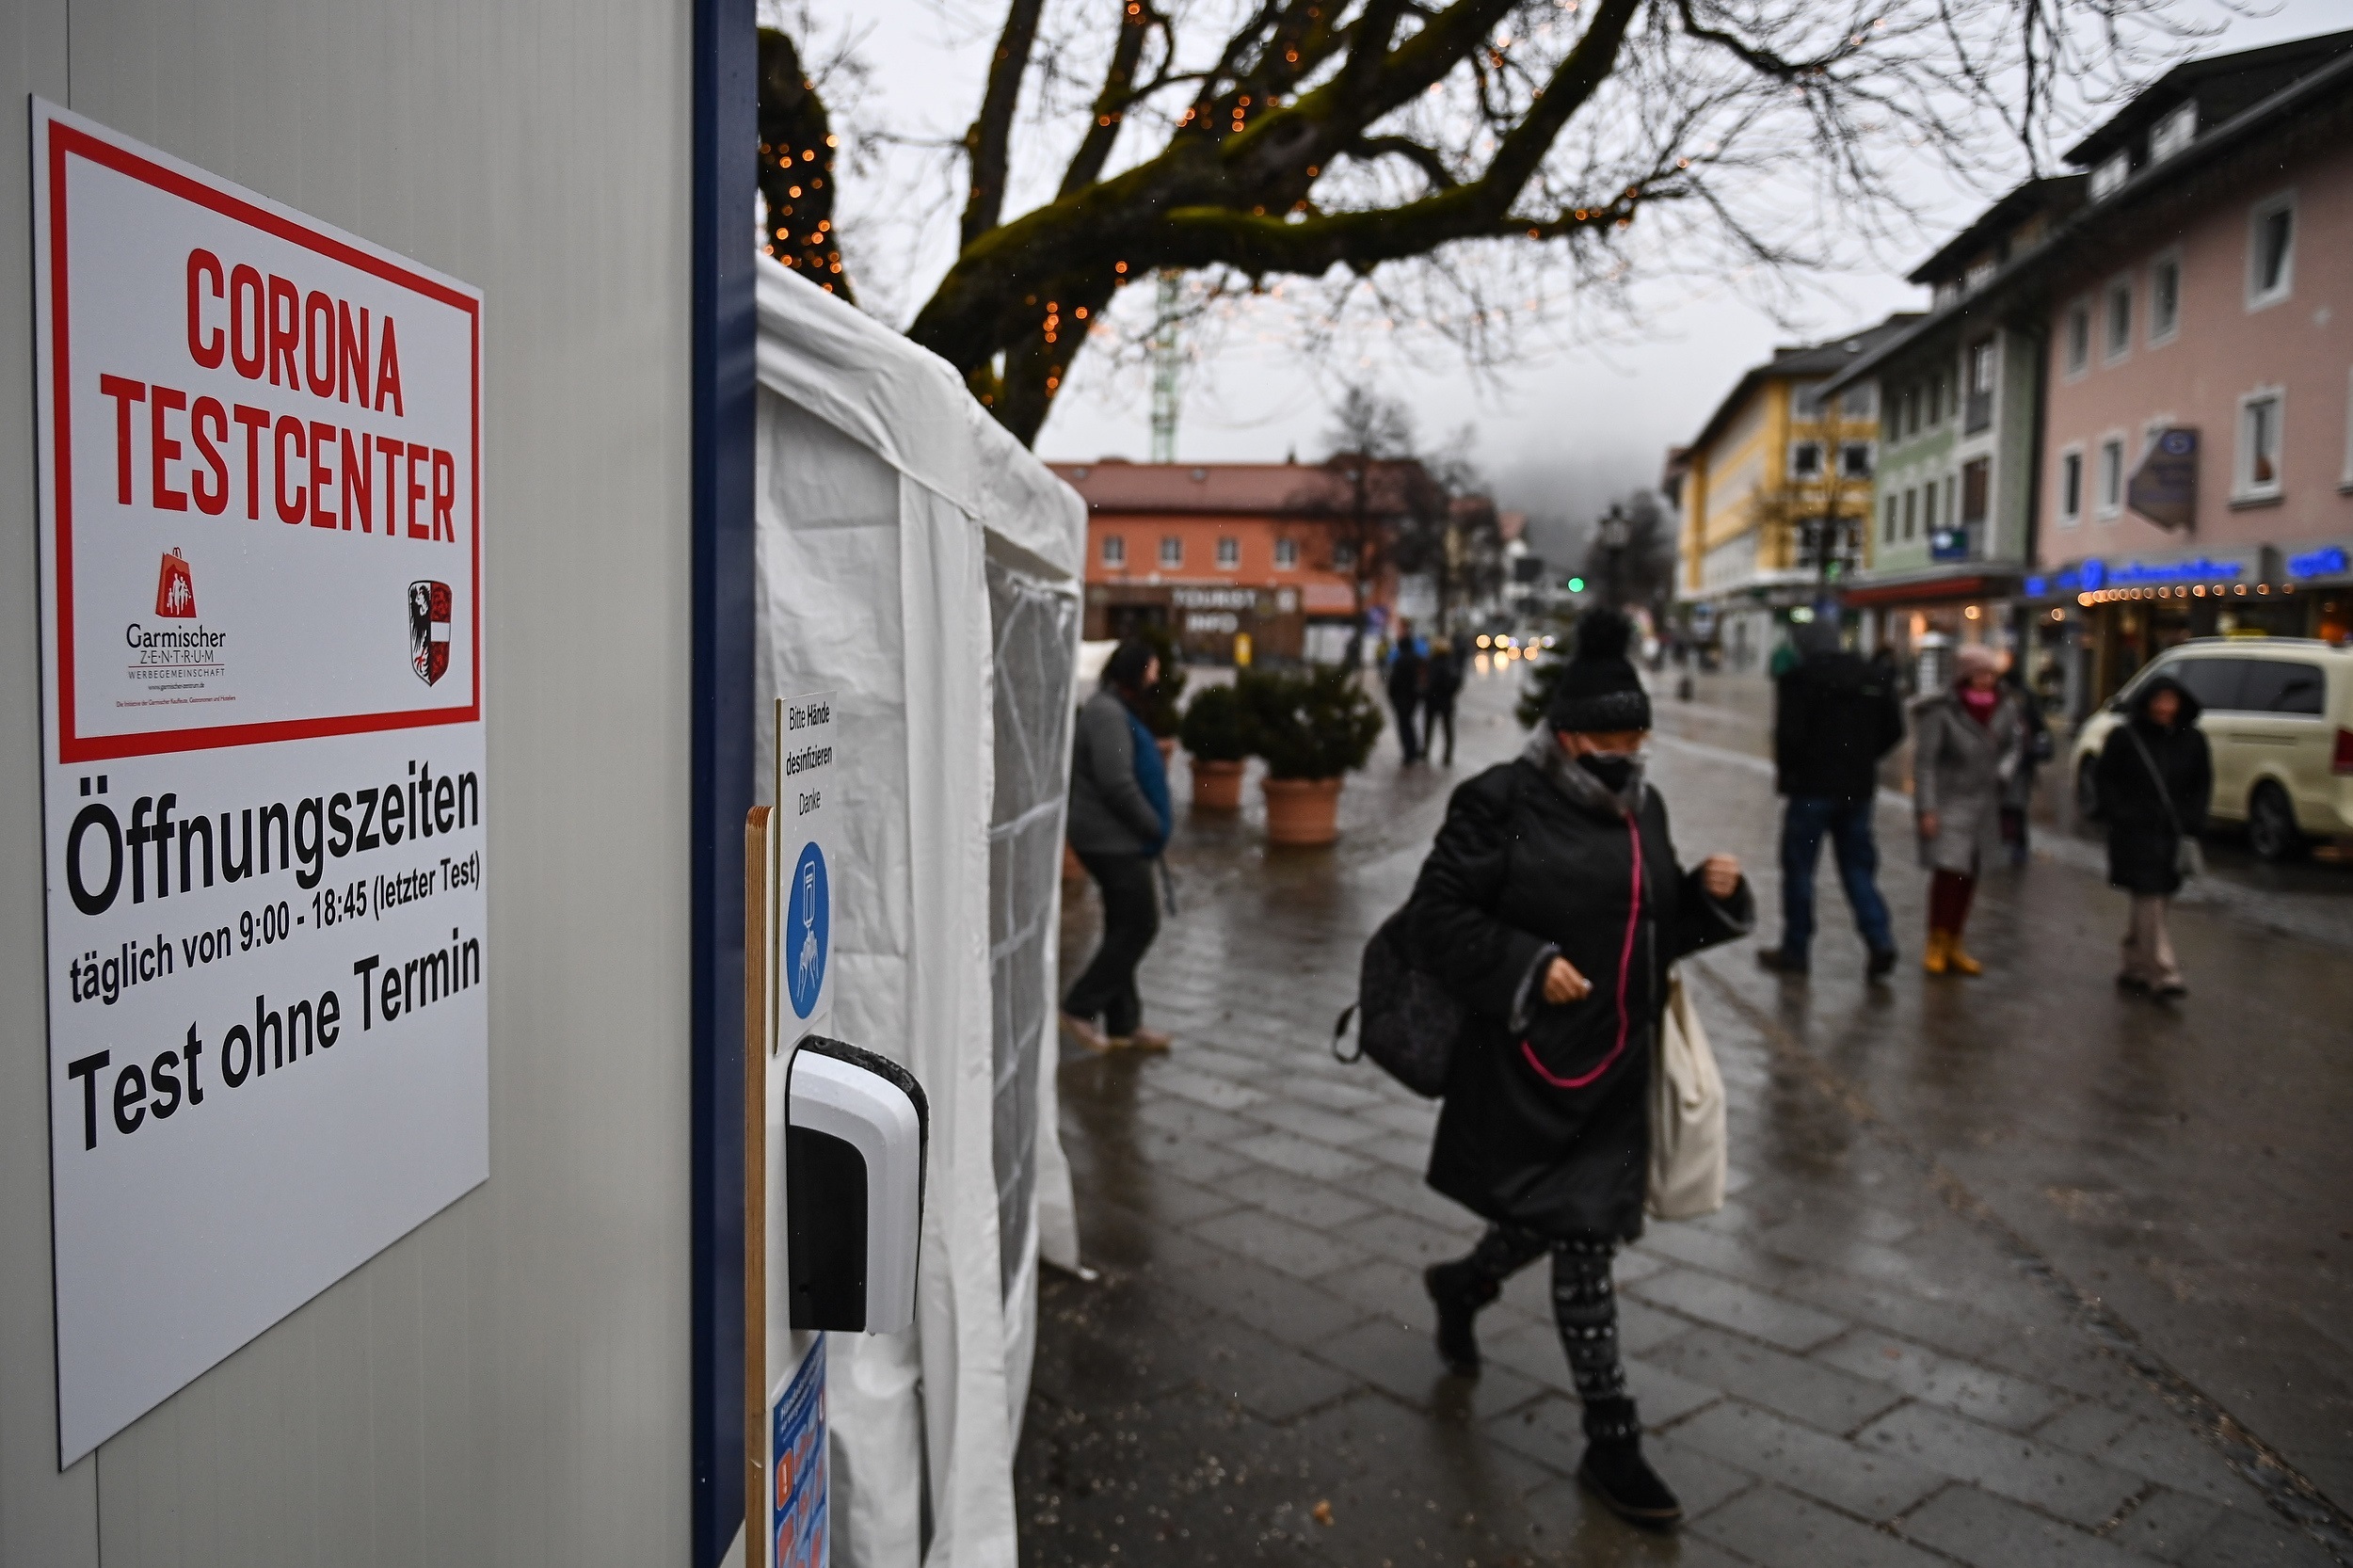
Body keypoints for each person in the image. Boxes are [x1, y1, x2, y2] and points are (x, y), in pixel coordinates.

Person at [1411, 608, 1753, 1529]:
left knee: (1570, 1224)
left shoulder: (1646, 807)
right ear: (1567, 734)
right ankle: (1613, 1436)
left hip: (1618, 1060)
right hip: (1530, 1062)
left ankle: (1465, 1284)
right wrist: (1526, 962)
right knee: (1578, 1235)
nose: (1629, 751)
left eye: (1638, 735)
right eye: (1613, 735)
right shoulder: (1497, 803)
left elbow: (1653, 926)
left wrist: (1709, 901)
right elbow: (1436, 920)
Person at [1756, 619, 1904, 979]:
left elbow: (1788, 736)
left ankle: (1796, 948)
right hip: (1857, 789)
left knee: (1800, 870)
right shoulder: (1873, 676)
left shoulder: (1798, 679)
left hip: (1811, 788)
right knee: (1857, 868)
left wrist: (1791, 772)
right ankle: (1879, 939)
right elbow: (1894, 730)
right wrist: (1864, 758)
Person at [1060, 638, 1175, 1051]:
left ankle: (1125, 1024)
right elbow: (1116, 781)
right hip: (1110, 841)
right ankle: (1078, 1006)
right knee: (1140, 924)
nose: (1156, 678)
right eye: (1152, 669)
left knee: (1122, 926)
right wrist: (1151, 825)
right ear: (1134, 671)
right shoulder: (1107, 714)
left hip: (1113, 838)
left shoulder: (1112, 708)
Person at [1911, 643, 2026, 975]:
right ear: (1964, 674)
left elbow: (2015, 744)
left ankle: (1956, 942)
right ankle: (1936, 940)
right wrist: (1927, 808)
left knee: (1969, 875)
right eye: (1978, 673)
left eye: (1990, 673)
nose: (1985, 680)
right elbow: (1926, 763)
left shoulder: (2005, 706)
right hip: (1950, 801)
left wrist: (2003, 773)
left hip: (1985, 803)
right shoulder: (1942, 709)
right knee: (1948, 873)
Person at [2095, 675, 2210, 1000]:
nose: (2164, 708)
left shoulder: (2192, 740)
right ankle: (2163, 972)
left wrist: (2192, 821)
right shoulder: (2125, 737)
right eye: (2158, 700)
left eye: (2170, 700)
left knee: (2156, 899)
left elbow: (2201, 783)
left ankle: (2134, 963)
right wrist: (2120, 813)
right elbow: (2106, 779)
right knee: (2150, 895)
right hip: (2135, 832)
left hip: (2172, 832)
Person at [1999, 665, 2053, 866]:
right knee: (2015, 807)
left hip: (2018, 764)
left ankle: (2013, 844)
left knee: (2010, 806)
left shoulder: (2005, 697)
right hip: (2021, 764)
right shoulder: (2026, 697)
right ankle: (2015, 845)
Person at [1387, 620, 1426, 763]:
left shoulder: (1400, 661)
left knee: (1404, 726)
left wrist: (1392, 696)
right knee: (1410, 724)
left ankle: (1409, 753)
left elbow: (1394, 682)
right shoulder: (1418, 660)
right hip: (1413, 697)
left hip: (1401, 698)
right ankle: (1413, 750)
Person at [1422, 637, 1463, 766]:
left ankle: (1427, 751)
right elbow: (1457, 681)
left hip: (1433, 701)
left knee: (1430, 727)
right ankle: (1447, 755)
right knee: (1447, 728)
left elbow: (1429, 682)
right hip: (1446, 701)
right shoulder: (1451, 663)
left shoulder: (1432, 663)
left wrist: (1426, 692)